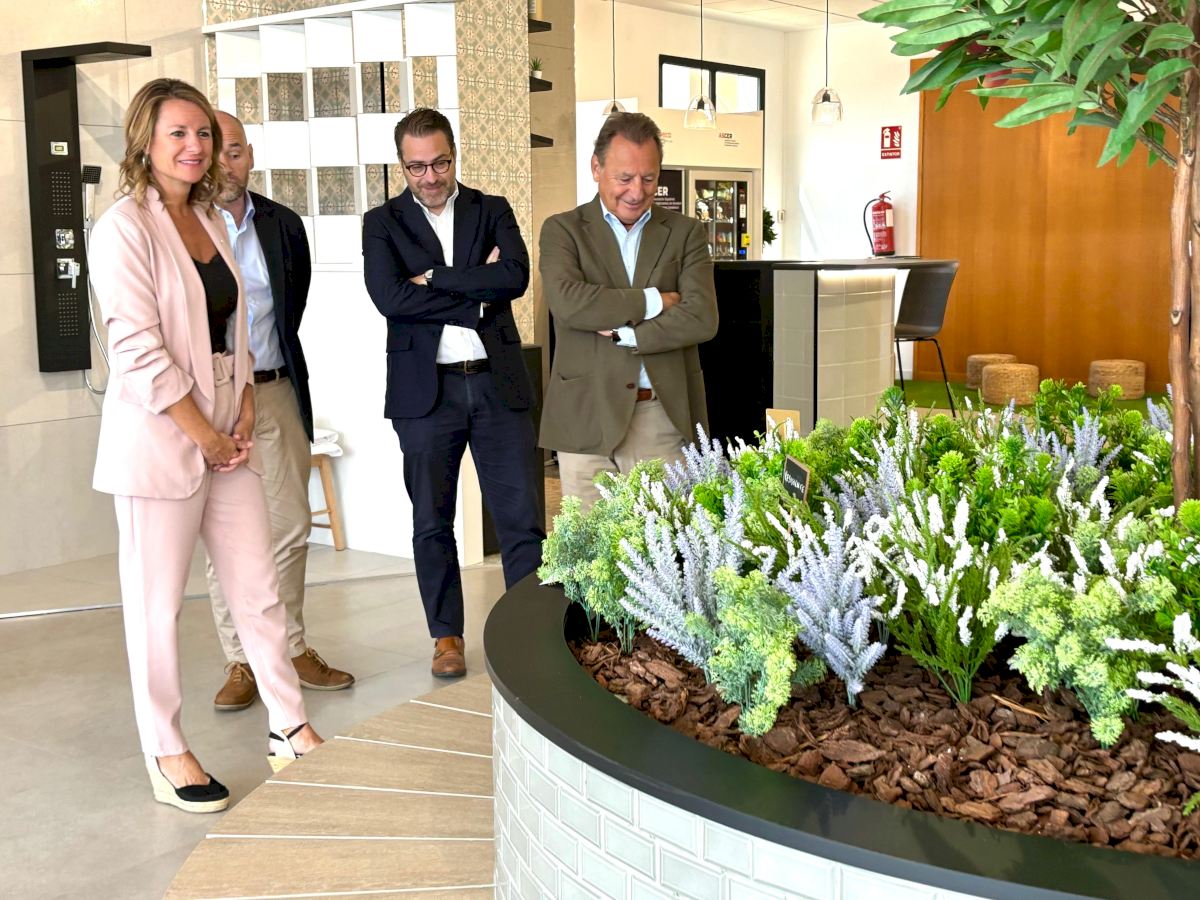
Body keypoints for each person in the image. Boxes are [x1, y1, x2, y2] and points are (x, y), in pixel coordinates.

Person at [89, 78, 322, 813]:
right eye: (178, 133)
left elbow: (237, 328)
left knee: (259, 589)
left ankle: (289, 727)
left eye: (204, 135)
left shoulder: (211, 218)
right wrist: (206, 435)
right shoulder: (122, 228)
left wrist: (245, 405)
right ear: (145, 141)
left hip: (229, 433)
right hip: (162, 440)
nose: (195, 146)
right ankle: (166, 751)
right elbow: (136, 350)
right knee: (156, 608)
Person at [362, 108, 545, 679]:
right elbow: (390, 299)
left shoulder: (492, 209)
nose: (430, 177)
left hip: (497, 383)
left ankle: (529, 633)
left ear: (454, 155)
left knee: (522, 520)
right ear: (401, 165)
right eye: (416, 167)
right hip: (425, 394)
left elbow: (514, 277)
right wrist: (476, 297)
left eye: (439, 163)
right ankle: (446, 637)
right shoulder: (381, 223)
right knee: (431, 522)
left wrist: (435, 278)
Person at [206, 110, 354, 712]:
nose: (226, 163)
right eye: (215, 150)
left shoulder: (282, 224)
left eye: (236, 150)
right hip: (214, 397)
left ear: (250, 155)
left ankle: (289, 647)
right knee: (227, 533)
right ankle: (241, 659)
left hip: (275, 388)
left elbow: (292, 308)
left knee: (291, 525)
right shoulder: (185, 225)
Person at [539, 112, 718, 509]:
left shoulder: (686, 232)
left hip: (659, 416)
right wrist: (656, 301)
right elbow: (569, 303)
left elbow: (702, 317)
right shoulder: (562, 230)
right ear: (596, 168)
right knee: (589, 545)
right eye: (624, 178)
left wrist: (629, 335)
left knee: (665, 543)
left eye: (649, 178)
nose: (637, 191)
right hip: (583, 419)